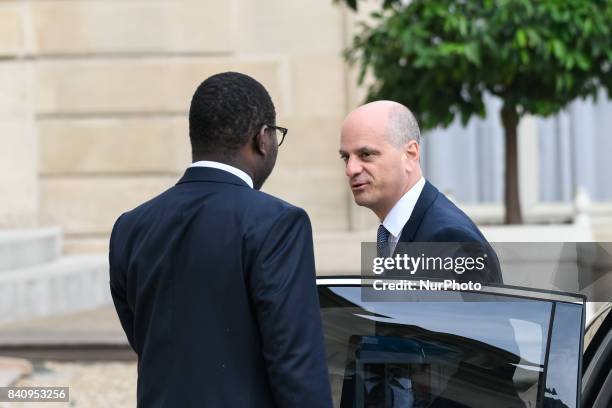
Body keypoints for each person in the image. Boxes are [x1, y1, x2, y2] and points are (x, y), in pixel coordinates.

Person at [109, 72, 333, 408]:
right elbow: (296, 363)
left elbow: (145, 339)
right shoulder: (278, 223)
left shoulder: (130, 227)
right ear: (262, 138)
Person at [339, 100, 502, 283]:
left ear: (411, 155)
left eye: (366, 154)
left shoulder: (447, 238)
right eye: (346, 157)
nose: (350, 169)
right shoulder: (396, 232)